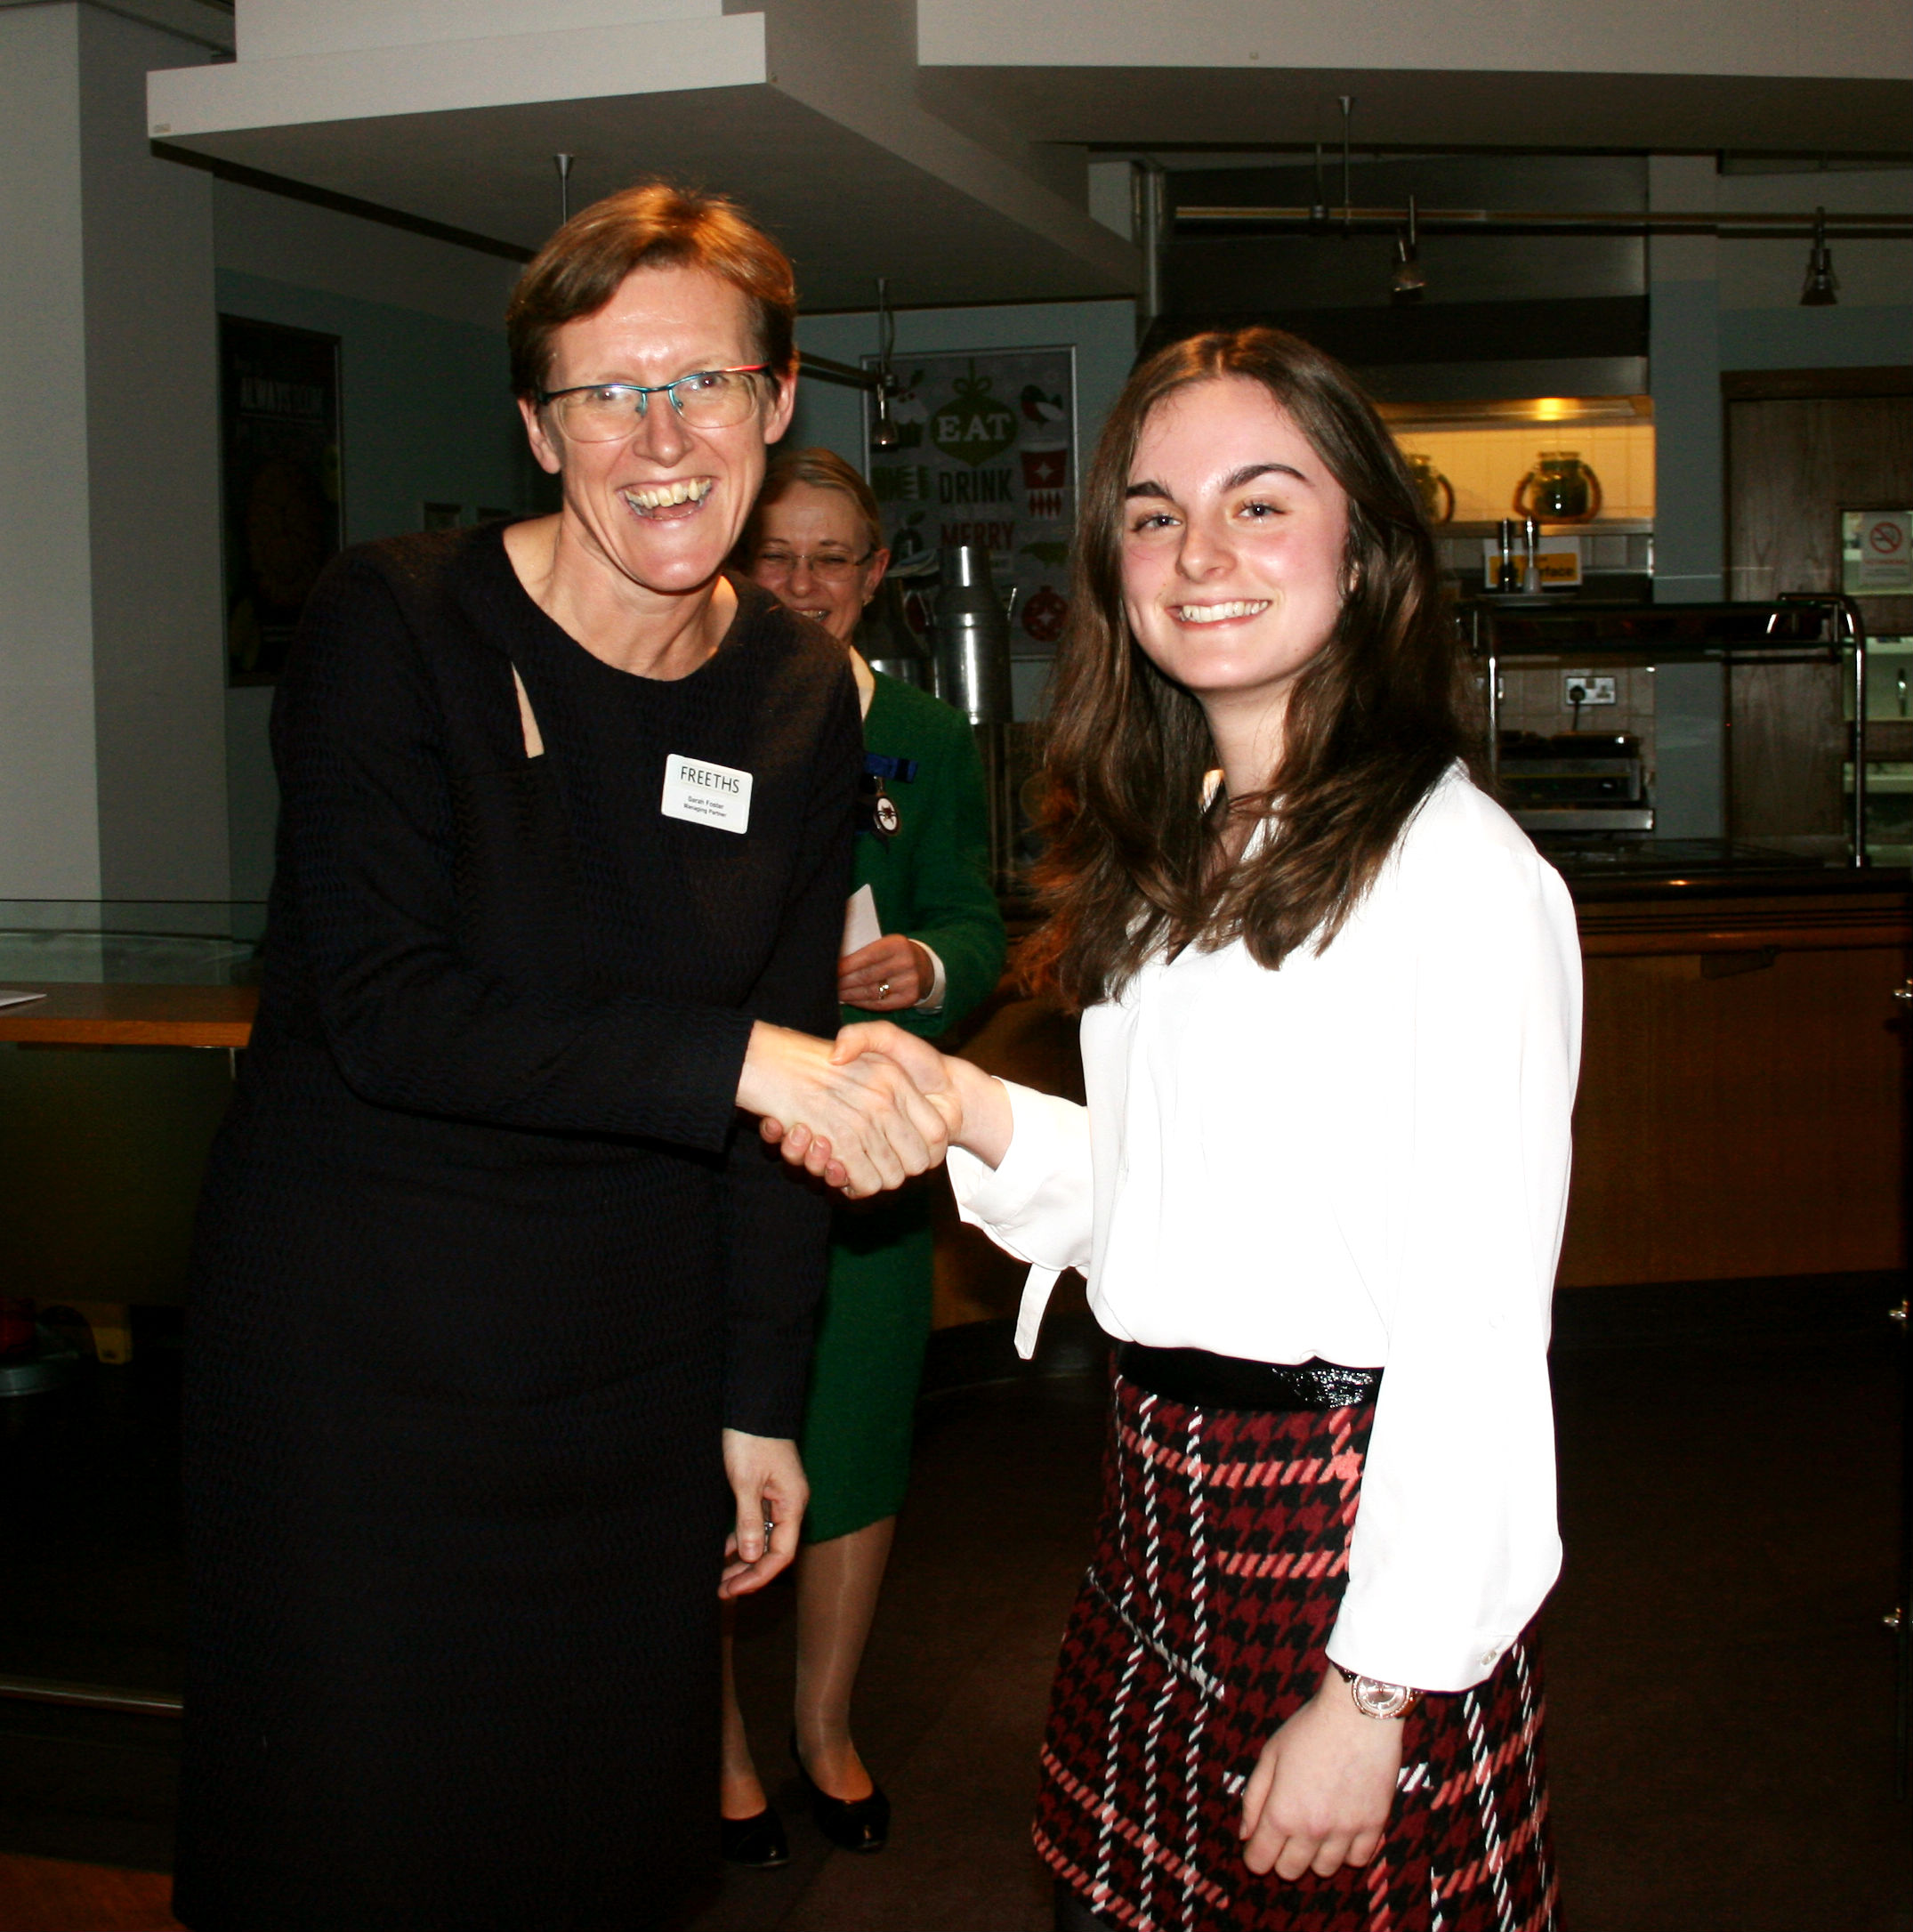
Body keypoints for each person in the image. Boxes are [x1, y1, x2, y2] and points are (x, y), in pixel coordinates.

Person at [173, 184, 949, 1932]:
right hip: (364, 1370)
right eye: (608, 394)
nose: (661, 440)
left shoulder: (799, 693)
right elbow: (387, 1004)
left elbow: (786, 1077)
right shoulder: (398, 624)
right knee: (363, 1849)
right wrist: (748, 1058)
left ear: (775, 400)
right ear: (538, 428)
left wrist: (760, 1393)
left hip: (625, 1369)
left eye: (700, 385)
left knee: (600, 1838)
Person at [778, 326, 1579, 1929]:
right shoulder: (1182, 846)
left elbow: (1476, 1333)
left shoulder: (1457, 879)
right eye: (1152, 514)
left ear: (1363, 551)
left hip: (1340, 1535)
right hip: (1155, 1505)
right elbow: (1181, 1206)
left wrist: (1371, 1699)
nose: (1196, 554)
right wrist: (966, 1107)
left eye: (1258, 504)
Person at [719, 450, 1006, 1863]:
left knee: (853, 1439)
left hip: (871, 1143)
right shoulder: (681, 710)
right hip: (717, 1140)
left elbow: (976, 917)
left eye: (831, 558)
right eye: (776, 556)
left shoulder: (926, 739)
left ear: (876, 576)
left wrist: (931, 964)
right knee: (702, 1439)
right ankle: (714, 1751)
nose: (802, 585)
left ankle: (824, 1728)